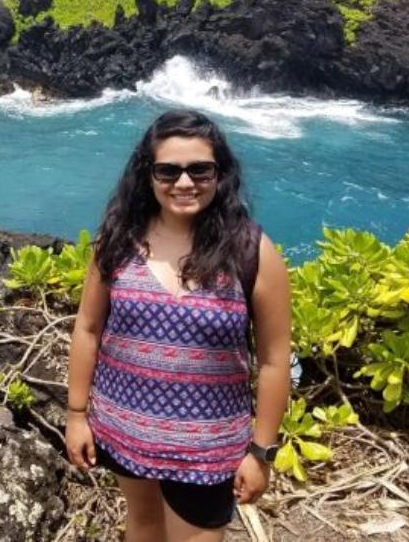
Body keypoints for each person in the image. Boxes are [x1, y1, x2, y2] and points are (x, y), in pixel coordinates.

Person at [65, 109, 292, 542]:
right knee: (143, 527)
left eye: (200, 170)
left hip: (207, 449)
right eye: (168, 170)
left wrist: (261, 453)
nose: (184, 183)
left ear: (220, 174)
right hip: (122, 430)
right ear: (147, 175)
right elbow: (88, 329)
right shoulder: (117, 241)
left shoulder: (251, 251)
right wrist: (77, 416)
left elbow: (275, 361)